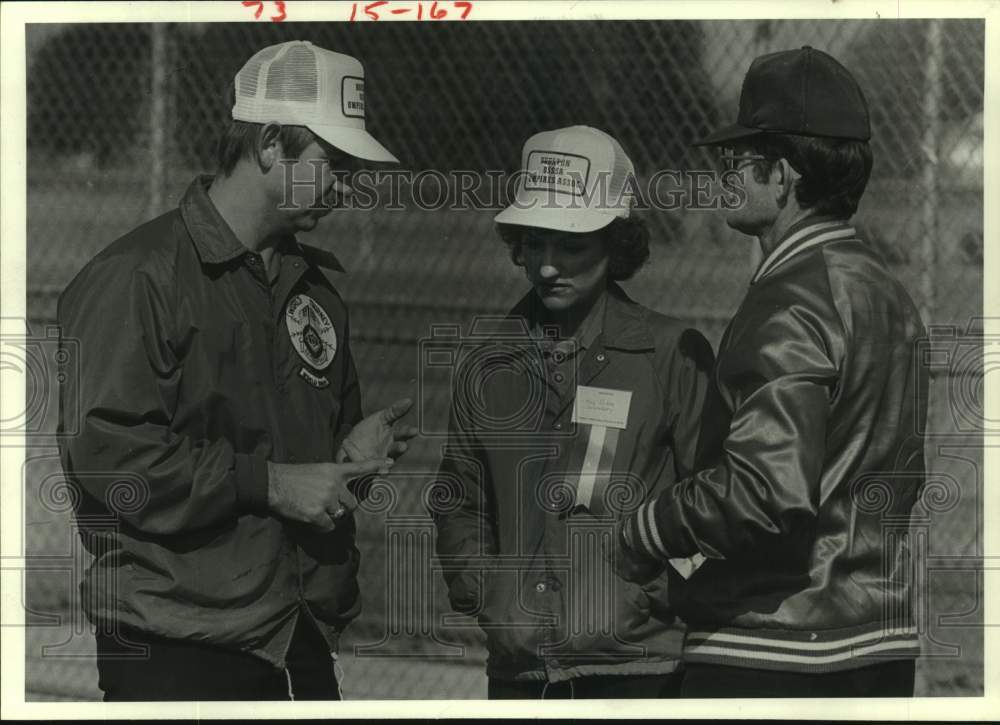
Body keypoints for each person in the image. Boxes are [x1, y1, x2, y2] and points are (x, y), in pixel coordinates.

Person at [56, 40, 417, 701]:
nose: (348, 184)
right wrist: (274, 483)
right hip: (180, 642)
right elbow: (109, 459)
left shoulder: (314, 291)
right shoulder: (139, 278)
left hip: (295, 636)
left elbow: (296, 480)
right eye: (332, 162)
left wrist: (343, 463)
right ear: (271, 145)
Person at [613, 46, 929, 697]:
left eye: (736, 161)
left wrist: (646, 526)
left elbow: (765, 492)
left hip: (773, 645)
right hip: (878, 639)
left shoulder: (791, 294)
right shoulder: (887, 290)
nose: (722, 173)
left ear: (782, 175)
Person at [432, 126, 722, 699]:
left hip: (638, 668)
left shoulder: (670, 355)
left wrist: (662, 596)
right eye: (534, 243)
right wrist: (486, 592)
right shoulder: (488, 359)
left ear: (616, 246)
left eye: (570, 246)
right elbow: (459, 497)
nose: (546, 267)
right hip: (519, 671)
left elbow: (716, 500)